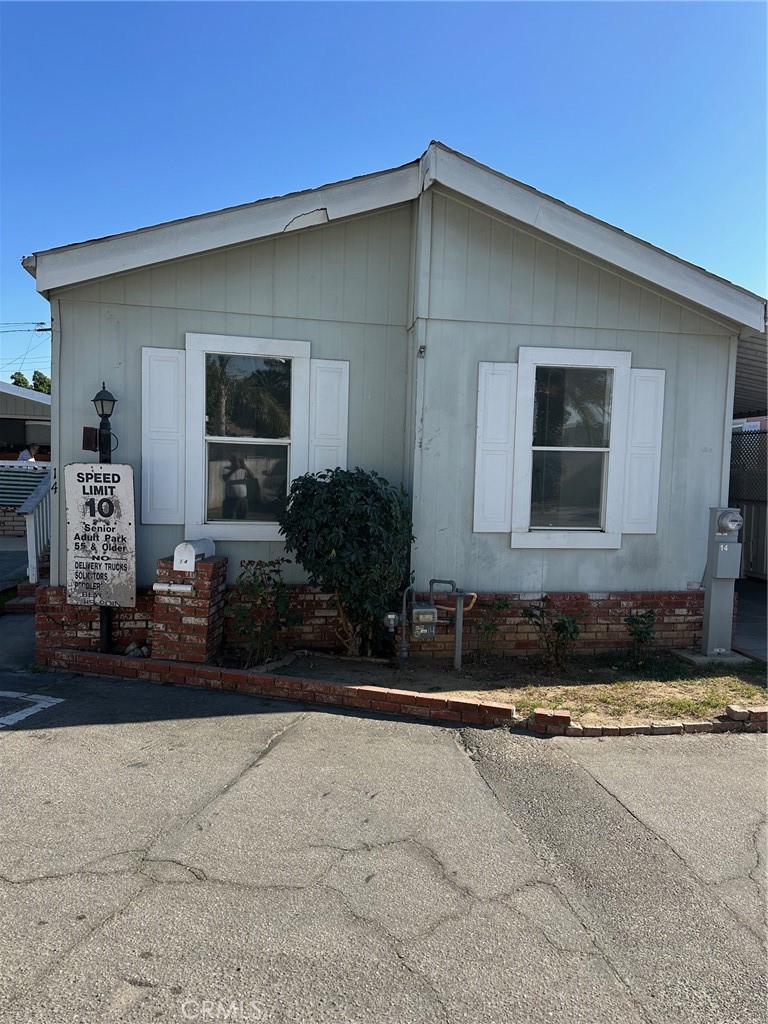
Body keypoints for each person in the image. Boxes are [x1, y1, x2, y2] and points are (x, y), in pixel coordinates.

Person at [221, 454, 256, 519]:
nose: (237, 462)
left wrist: (245, 467)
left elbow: (252, 477)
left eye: (239, 460)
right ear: (231, 461)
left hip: (242, 500)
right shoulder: (226, 469)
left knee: (241, 518)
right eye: (235, 460)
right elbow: (225, 478)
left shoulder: (244, 470)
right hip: (230, 499)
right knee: (228, 518)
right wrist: (233, 470)